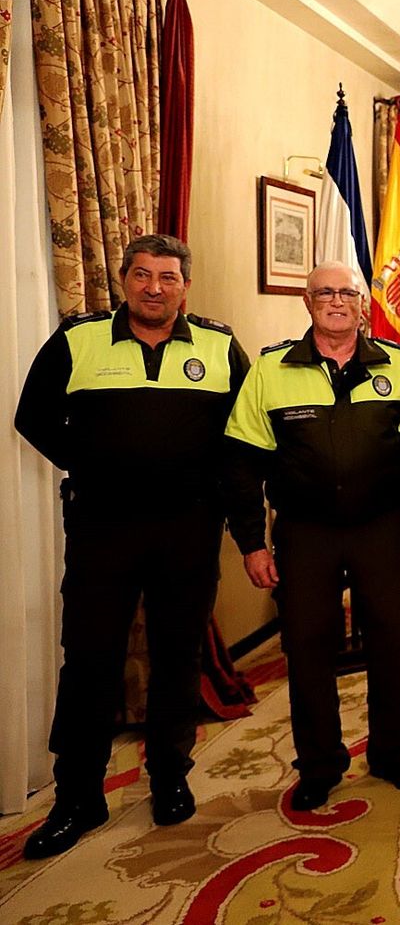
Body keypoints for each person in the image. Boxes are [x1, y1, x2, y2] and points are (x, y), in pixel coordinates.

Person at [15, 235, 249, 859]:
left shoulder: (220, 346)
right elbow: (32, 418)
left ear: (185, 287)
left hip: (188, 528)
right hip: (103, 528)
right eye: (142, 275)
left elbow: (242, 433)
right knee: (89, 659)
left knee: (177, 656)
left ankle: (170, 777)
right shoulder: (78, 339)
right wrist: (95, 465)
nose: (154, 287)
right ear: (124, 280)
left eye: (167, 277)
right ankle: (77, 797)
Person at [224, 262, 400, 811]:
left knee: (392, 642)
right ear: (307, 302)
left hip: (381, 529)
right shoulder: (271, 369)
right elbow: (241, 465)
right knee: (307, 649)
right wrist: (252, 543)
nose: (336, 301)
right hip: (306, 534)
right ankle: (319, 765)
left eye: (347, 292)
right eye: (324, 292)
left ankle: (394, 752)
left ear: (362, 304)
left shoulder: (397, 364)